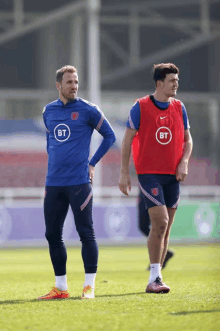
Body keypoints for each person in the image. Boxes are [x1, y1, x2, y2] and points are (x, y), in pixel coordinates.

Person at [38, 65, 116, 300]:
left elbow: (110, 136)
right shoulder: (48, 111)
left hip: (79, 183)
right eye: (69, 82)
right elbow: (50, 142)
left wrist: (92, 164)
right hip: (54, 183)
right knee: (52, 234)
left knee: (86, 233)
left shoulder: (88, 110)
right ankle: (60, 287)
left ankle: (89, 286)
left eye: (76, 82)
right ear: (58, 85)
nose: (74, 86)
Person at [119, 63, 193, 294]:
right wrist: (123, 173)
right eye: (172, 81)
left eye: (177, 80)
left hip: (173, 176)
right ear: (159, 84)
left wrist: (184, 162)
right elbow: (127, 141)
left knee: (166, 228)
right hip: (149, 174)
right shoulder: (140, 107)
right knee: (159, 222)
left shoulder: (180, 108)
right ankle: (154, 278)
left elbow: (188, 141)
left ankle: (157, 277)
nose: (176, 84)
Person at [138, 189, 174, 270]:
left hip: (156, 189)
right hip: (143, 188)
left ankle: (158, 262)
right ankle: (164, 253)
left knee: (160, 225)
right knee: (143, 226)